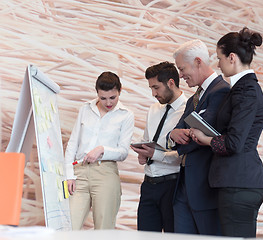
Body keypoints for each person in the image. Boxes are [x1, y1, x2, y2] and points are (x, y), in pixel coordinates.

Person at [190, 27, 263, 238]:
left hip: (238, 182)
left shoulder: (246, 90)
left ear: (231, 57)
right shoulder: (243, 88)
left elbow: (233, 142)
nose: (218, 64)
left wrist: (206, 139)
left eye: (219, 58)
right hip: (239, 182)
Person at [168, 39, 230, 235]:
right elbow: (179, 132)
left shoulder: (221, 91)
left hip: (204, 189)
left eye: (182, 68)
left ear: (197, 61)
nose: (180, 75)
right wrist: (173, 134)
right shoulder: (196, 96)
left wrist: (182, 136)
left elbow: (206, 134)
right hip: (184, 188)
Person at [64, 71, 134, 230]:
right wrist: (69, 175)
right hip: (79, 173)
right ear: (97, 93)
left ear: (120, 91)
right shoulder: (85, 109)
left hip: (106, 173)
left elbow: (123, 152)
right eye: (103, 98)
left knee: (104, 230)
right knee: (69, 227)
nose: (108, 103)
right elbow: (73, 143)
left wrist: (102, 150)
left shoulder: (126, 115)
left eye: (113, 97)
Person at [131, 62, 187, 232]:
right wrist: (143, 153)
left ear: (171, 83)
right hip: (148, 185)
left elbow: (184, 154)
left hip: (173, 185)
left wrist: (155, 154)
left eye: (156, 87)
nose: (153, 93)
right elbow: (147, 139)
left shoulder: (188, 109)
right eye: (151, 88)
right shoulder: (153, 108)